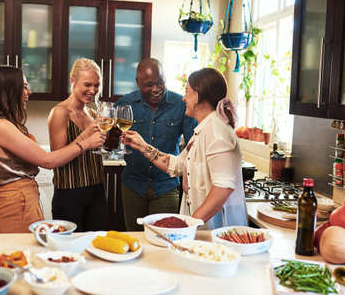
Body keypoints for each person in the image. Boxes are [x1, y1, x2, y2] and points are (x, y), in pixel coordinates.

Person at [0, 65, 106, 233]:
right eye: (24, 86)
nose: (29, 92)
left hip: (22, 203)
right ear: (8, 90)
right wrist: (86, 141)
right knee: (18, 257)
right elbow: (48, 160)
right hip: (15, 206)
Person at [124, 68, 247, 229]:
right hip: (204, 228)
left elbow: (223, 187)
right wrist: (142, 146)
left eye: (187, 92)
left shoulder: (218, 132)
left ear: (197, 95)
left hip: (218, 230)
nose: (183, 98)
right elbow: (176, 165)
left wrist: (190, 224)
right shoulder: (204, 130)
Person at [115, 58, 197, 231]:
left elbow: (193, 146)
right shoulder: (124, 104)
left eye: (160, 82)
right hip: (133, 186)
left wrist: (189, 177)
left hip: (166, 186)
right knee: (135, 237)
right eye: (149, 84)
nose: (156, 89)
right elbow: (111, 140)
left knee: (165, 239)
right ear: (138, 83)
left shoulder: (181, 105)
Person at [48, 58, 107, 232]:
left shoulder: (92, 112)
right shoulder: (60, 112)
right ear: (73, 81)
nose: (93, 90)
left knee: (96, 248)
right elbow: (57, 158)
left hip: (97, 190)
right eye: (87, 84)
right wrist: (86, 136)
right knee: (70, 251)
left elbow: (98, 148)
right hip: (69, 195)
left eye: (96, 85)